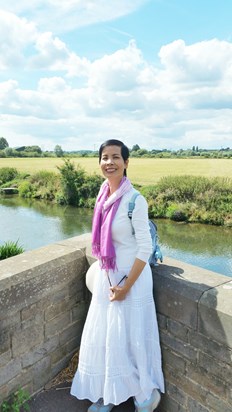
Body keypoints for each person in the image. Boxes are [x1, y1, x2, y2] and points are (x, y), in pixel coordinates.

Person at [71, 139, 164, 412]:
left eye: (115, 157)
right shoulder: (102, 197)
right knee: (107, 338)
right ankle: (108, 393)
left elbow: (145, 248)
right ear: (99, 162)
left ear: (126, 162)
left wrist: (125, 286)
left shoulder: (135, 200)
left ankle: (142, 393)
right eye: (104, 157)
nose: (109, 162)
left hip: (131, 280)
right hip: (106, 276)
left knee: (132, 338)